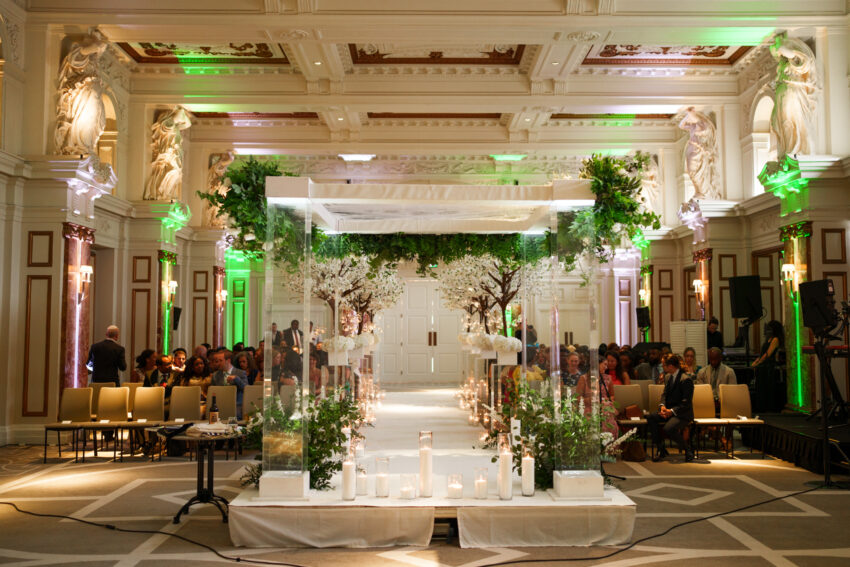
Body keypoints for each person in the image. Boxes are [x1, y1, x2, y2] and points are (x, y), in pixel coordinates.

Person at [648, 355, 695, 462]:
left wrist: (672, 411)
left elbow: (686, 402)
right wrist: (662, 406)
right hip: (669, 411)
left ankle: (687, 450)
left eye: (663, 365)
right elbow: (664, 395)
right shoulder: (668, 377)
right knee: (651, 418)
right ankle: (660, 448)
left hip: (682, 413)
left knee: (668, 428)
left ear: (670, 366)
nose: (662, 367)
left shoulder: (686, 379)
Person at [752, 320, 784, 412]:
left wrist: (758, 363)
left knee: (767, 388)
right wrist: (756, 361)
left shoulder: (775, 339)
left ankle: (768, 408)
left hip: (769, 367)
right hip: (763, 367)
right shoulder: (768, 339)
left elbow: (768, 354)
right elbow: (762, 354)